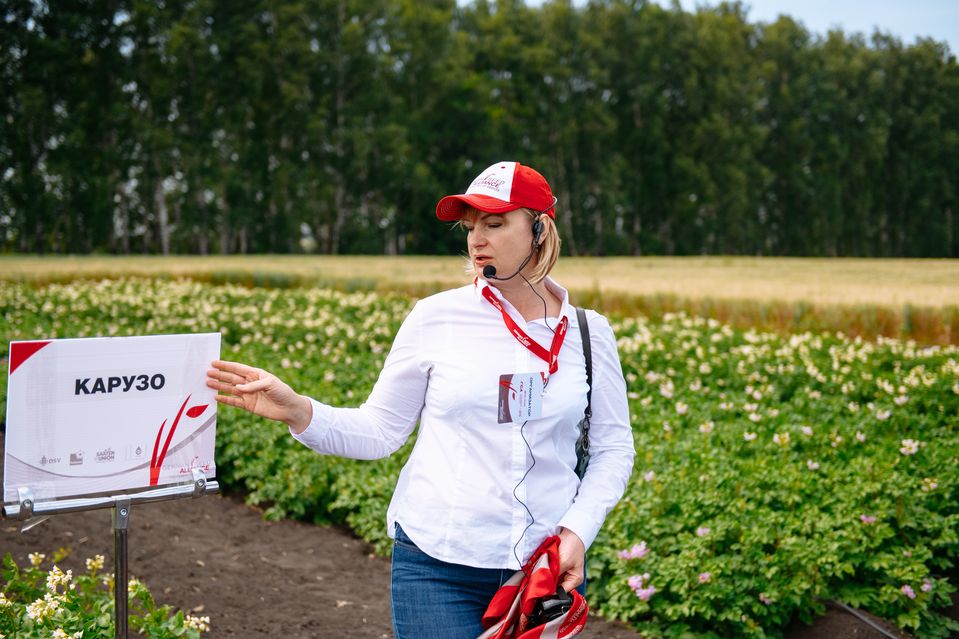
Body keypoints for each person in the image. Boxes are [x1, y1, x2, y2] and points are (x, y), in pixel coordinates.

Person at [206, 161, 635, 639]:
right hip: (438, 566)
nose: (477, 240)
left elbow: (613, 450)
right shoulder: (436, 317)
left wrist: (577, 532)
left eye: (494, 224)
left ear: (539, 230)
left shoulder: (589, 333)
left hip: (545, 571)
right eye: (470, 227)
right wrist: (299, 410)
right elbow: (380, 431)